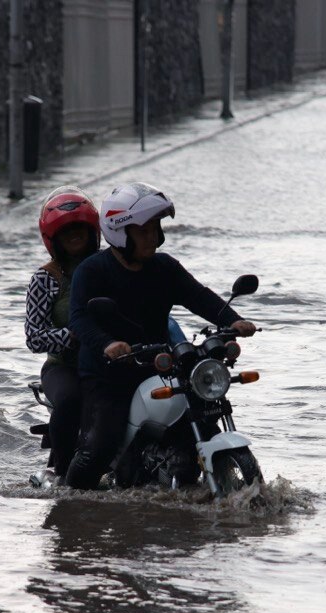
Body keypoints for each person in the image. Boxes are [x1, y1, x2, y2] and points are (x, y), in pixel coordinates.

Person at [64, 181, 256, 490]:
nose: (153, 236)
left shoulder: (164, 267)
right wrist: (108, 344)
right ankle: (69, 503)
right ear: (119, 231)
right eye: (144, 230)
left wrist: (234, 320)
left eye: (156, 228)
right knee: (98, 447)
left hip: (158, 364)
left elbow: (200, 297)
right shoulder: (93, 270)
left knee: (202, 414)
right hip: (108, 373)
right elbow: (79, 318)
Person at [24, 185, 100, 485]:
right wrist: (73, 336)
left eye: (79, 228)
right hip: (64, 366)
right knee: (69, 400)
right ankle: (66, 473)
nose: (74, 235)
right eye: (66, 232)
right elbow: (34, 336)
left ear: (92, 230)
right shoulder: (45, 279)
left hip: (110, 362)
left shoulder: (109, 268)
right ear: (53, 239)